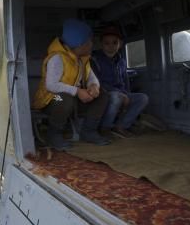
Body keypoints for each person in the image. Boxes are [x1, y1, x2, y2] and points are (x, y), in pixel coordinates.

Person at [33, 18, 110, 149]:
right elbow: (51, 85)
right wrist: (78, 91)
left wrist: (94, 86)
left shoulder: (83, 59)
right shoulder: (57, 58)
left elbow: (92, 77)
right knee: (64, 98)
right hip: (51, 100)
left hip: (72, 99)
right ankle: (54, 135)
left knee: (102, 95)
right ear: (80, 45)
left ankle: (89, 131)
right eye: (89, 41)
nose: (92, 44)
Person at [91, 25, 148, 137]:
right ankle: (105, 128)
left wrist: (127, 93)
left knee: (143, 98)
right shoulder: (95, 60)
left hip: (121, 92)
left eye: (114, 43)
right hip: (103, 92)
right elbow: (96, 82)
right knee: (116, 97)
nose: (111, 47)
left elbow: (125, 80)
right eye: (107, 43)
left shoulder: (121, 61)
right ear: (101, 44)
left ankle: (121, 126)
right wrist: (122, 94)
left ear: (120, 44)